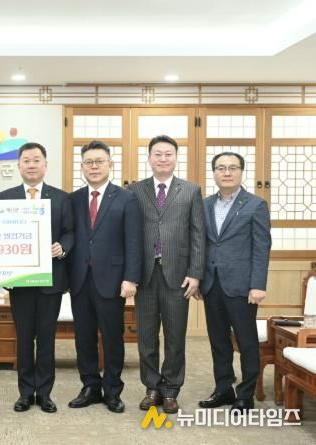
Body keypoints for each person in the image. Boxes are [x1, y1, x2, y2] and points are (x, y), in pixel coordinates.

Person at [128, 134, 206, 414]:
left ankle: (171, 390)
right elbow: (130, 235)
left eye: (168, 154)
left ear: (176, 158)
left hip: (178, 276)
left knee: (175, 337)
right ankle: (152, 388)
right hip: (145, 276)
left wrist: (195, 274)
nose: (163, 159)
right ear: (149, 158)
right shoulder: (135, 190)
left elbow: (198, 234)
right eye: (157, 154)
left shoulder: (191, 190)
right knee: (146, 338)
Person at [0, 142, 74, 413]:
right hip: (20, 281)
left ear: (45, 164)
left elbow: (70, 232)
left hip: (50, 281)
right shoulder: (5, 197)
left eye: (36, 160)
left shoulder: (62, 198)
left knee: (46, 340)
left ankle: (45, 394)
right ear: (18, 166)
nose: (31, 165)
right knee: (23, 339)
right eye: (26, 161)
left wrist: (62, 247)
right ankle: (25, 393)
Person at [67, 141, 142, 413]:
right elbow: (69, 236)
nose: (94, 166)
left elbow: (133, 241)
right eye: (89, 162)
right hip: (79, 279)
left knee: (112, 337)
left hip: (112, 279)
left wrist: (131, 278)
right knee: (83, 337)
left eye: (99, 161)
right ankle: (89, 386)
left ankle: (112, 390)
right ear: (82, 167)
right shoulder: (73, 199)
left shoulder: (126, 198)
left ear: (110, 164)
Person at [198, 152, 271, 414]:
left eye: (232, 168)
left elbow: (261, 247)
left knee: (246, 341)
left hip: (242, 285)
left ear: (241, 171)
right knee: (218, 340)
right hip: (212, 284)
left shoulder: (255, 205)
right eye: (220, 168)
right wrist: (198, 278)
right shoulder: (204, 204)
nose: (226, 172)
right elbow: (200, 244)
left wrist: (258, 284)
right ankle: (223, 389)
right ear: (214, 173)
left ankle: (246, 394)